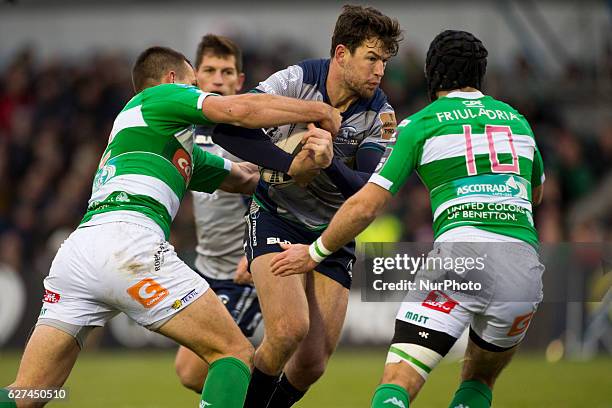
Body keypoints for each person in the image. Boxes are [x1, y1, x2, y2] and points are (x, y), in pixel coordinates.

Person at [0, 45, 340, 408]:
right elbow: (235, 110)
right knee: (234, 353)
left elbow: (246, 177)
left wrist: (301, 164)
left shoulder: (170, 145)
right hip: (127, 243)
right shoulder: (158, 97)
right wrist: (318, 110)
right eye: (196, 84)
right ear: (173, 80)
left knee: (28, 394)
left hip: (79, 254)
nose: (202, 90)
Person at [271, 30, 545, 408]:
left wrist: (315, 252)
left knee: (398, 382)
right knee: (479, 378)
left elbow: (366, 204)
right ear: (480, 76)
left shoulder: (421, 124)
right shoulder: (518, 122)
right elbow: (536, 195)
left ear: (432, 76)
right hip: (522, 267)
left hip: (461, 258)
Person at [211, 5, 402, 407]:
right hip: (276, 216)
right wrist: (291, 165)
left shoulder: (380, 115)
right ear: (341, 54)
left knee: (312, 363)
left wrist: (328, 162)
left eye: (384, 61)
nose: (379, 70)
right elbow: (227, 130)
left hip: (332, 232)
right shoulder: (296, 81)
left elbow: (363, 192)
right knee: (287, 330)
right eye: (371, 58)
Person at [173, 33, 263, 394]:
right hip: (205, 269)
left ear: (240, 81)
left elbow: (273, 194)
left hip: (240, 271)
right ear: (196, 78)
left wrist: (255, 253)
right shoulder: (187, 131)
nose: (219, 78)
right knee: (194, 371)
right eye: (210, 69)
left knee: (197, 369)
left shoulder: (252, 134)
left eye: (227, 71)